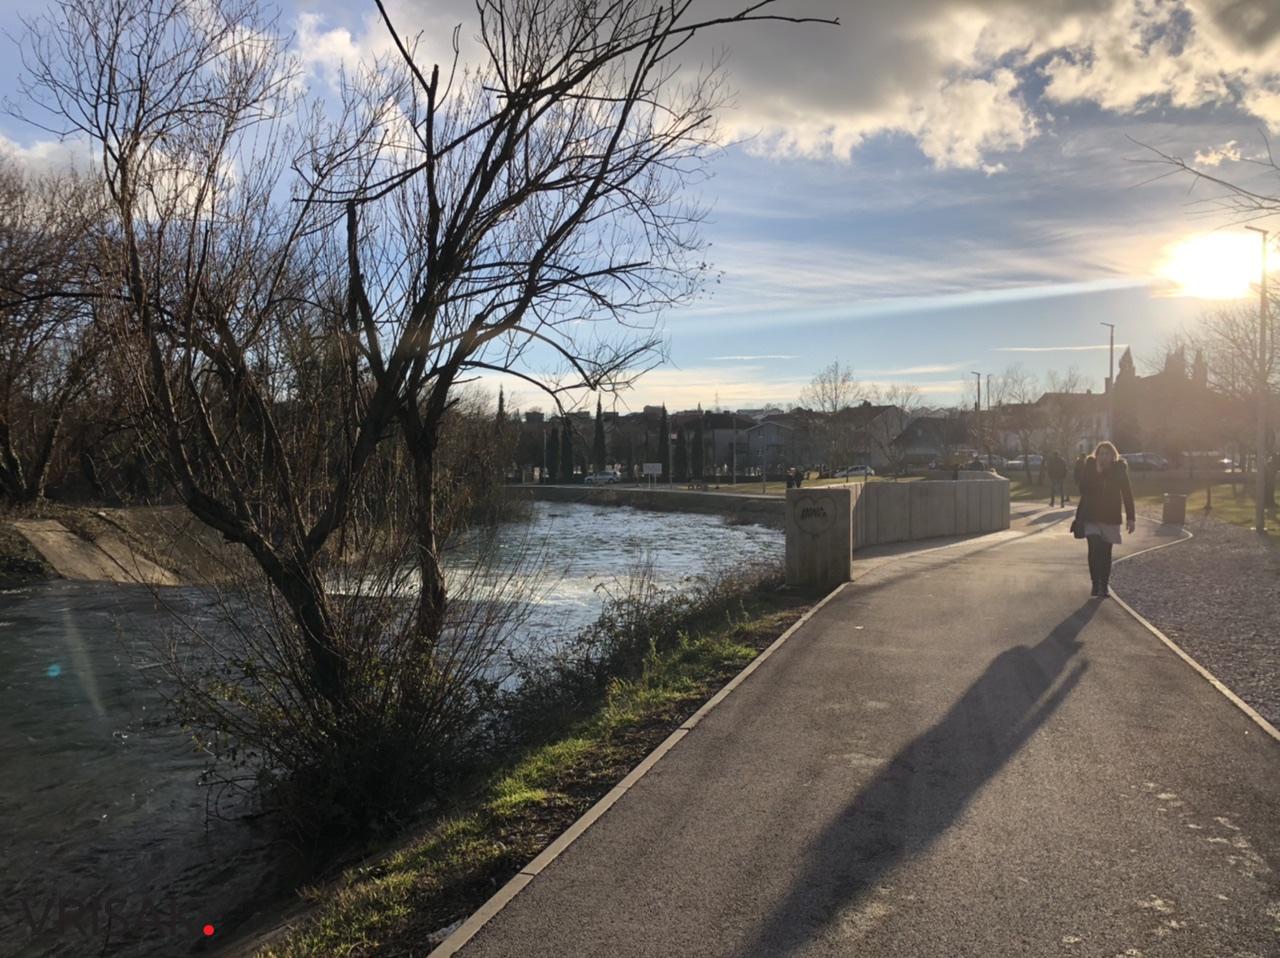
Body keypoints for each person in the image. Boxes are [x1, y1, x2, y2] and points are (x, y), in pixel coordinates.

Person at [1076, 441, 1136, 598]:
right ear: (1096, 456)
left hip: (1110, 517)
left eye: (1106, 454)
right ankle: (1095, 583)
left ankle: (1104, 584)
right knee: (1094, 547)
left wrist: (1131, 518)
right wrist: (1096, 473)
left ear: (1113, 456)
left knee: (1105, 551)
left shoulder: (1119, 470)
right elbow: (1082, 488)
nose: (1103, 457)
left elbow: (1127, 493)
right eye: (1100, 453)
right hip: (1091, 516)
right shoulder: (1090, 467)